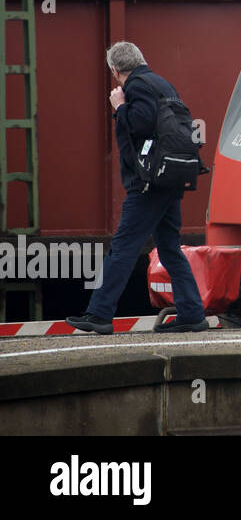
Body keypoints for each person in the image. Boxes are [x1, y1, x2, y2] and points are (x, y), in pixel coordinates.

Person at [67, 42, 208, 334]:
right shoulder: (162, 83)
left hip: (149, 184)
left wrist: (120, 108)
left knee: (123, 247)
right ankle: (193, 314)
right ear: (141, 60)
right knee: (169, 249)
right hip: (169, 178)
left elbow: (141, 124)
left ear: (115, 71)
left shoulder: (138, 86)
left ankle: (99, 314)